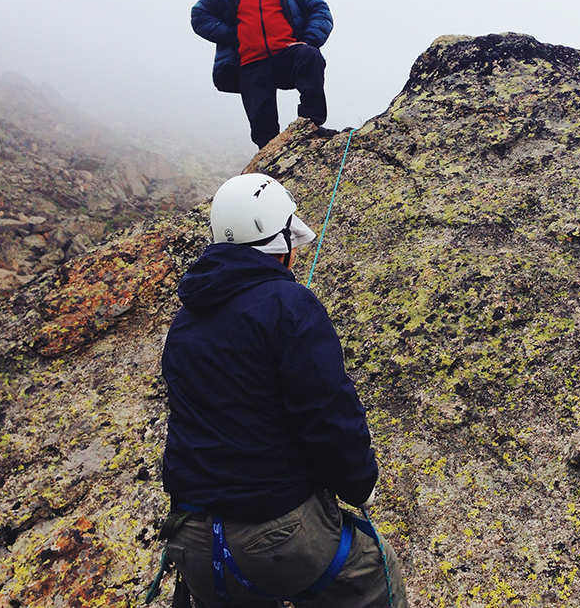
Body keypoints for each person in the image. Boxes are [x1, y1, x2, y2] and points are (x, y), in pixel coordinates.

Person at [160, 173, 408, 607]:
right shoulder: (290, 306)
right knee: (374, 576)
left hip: (193, 542)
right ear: (280, 243)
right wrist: (359, 483)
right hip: (277, 536)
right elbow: (327, 411)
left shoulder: (184, 323)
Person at [192, 0, 334, 149]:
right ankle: (269, 160)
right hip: (251, 62)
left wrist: (309, 41)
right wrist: (233, 34)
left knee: (310, 56)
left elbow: (320, 10)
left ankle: (310, 126)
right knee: (262, 126)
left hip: (286, 53)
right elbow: (199, 14)